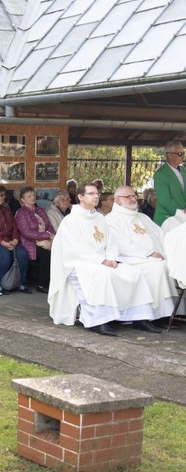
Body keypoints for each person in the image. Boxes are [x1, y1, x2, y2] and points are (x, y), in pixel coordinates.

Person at [49, 183, 156, 336]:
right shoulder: (71, 221)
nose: (96, 197)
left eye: (97, 194)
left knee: (134, 273)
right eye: (91, 193)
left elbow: (111, 242)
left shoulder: (100, 218)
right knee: (103, 276)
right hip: (79, 264)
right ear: (80, 197)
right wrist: (101, 260)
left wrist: (111, 258)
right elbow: (75, 248)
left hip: (102, 261)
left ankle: (140, 318)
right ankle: (99, 321)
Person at [105, 186, 177, 330]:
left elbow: (162, 236)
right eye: (128, 197)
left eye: (134, 196)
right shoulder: (111, 219)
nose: (133, 199)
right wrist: (148, 253)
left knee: (169, 265)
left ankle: (162, 316)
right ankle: (144, 318)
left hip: (152, 258)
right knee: (158, 267)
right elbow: (119, 244)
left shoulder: (142, 217)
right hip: (130, 259)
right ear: (117, 200)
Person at [15, 186, 55, 294]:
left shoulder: (40, 210)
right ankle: (42, 284)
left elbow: (49, 225)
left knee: (59, 251)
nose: (32, 198)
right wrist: (46, 236)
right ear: (23, 200)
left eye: (33, 195)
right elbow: (27, 233)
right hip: (30, 243)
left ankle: (56, 281)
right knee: (46, 255)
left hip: (45, 239)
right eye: (29, 196)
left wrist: (52, 235)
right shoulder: (21, 213)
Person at [153, 141, 186, 226]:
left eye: (183, 153)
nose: (183, 156)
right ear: (169, 155)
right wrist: (182, 213)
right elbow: (165, 200)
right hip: (167, 219)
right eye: (179, 154)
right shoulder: (160, 174)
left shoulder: (183, 170)